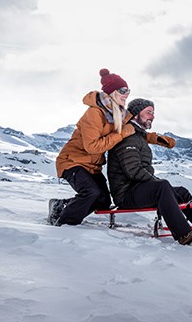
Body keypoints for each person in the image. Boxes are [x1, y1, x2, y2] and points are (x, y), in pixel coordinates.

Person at [107, 98, 192, 246]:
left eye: (153, 113)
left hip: (137, 188)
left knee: (181, 192)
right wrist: (158, 184)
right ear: (136, 114)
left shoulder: (139, 136)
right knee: (163, 186)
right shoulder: (128, 137)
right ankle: (184, 235)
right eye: (149, 112)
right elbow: (133, 170)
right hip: (125, 194)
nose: (152, 116)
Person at [48, 68, 135, 226]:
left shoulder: (118, 114)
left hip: (92, 167)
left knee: (102, 201)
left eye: (128, 91)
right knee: (90, 193)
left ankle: (60, 206)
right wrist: (122, 134)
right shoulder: (94, 113)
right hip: (72, 162)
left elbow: (135, 129)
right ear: (111, 92)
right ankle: (63, 225)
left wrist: (156, 138)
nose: (126, 94)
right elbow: (92, 147)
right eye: (123, 90)